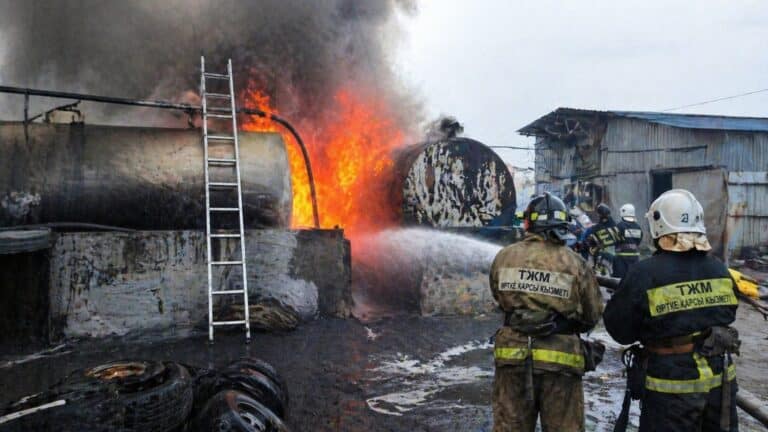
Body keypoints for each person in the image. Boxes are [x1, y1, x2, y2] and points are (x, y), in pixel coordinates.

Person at [604, 189, 740, 432]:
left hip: (671, 389)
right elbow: (728, 313)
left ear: (658, 226)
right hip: (721, 383)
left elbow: (619, 329)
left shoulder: (644, 273)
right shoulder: (719, 269)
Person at [489, 192, 604, 432]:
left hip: (512, 356)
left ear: (528, 223)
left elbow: (499, 299)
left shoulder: (504, 257)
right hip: (561, 361)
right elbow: (592, 315)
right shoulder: (575, 263)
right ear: (562, 226)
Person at [580, 203, 620, 273]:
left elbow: (589, 242)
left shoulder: (596, 228)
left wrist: (584, 245)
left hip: (600, 257)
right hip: (614, 257)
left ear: (599, 214)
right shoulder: (615, 226)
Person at [612, 203, 643, 278]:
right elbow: (638, 241)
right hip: (635, 258)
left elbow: (614, 239)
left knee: (619, 281)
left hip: (621, 259)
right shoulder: (638, 227)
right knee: (632, 279)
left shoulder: (619, 226)